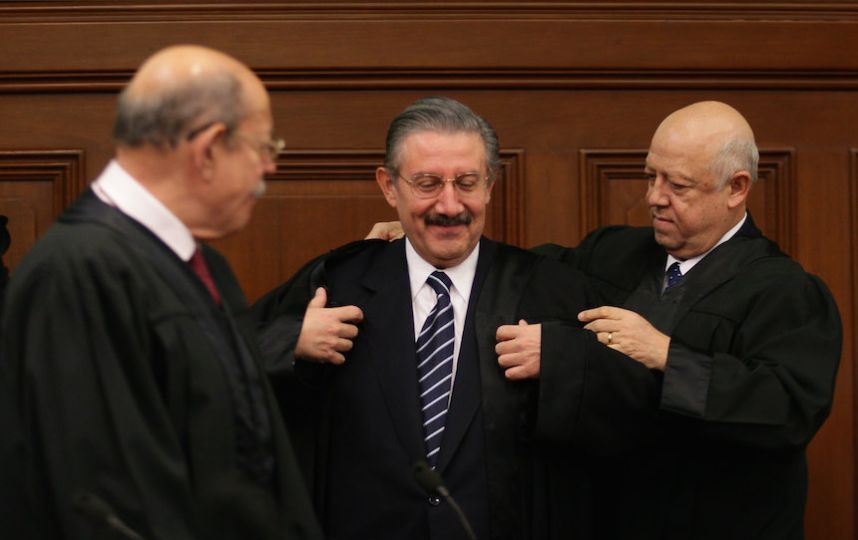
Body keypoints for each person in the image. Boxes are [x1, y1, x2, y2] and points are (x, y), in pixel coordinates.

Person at [365, 101, 842, 539]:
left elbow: (788, 411)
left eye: (677, 186)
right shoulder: (614, 253)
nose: (654, 197)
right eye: (651, 176)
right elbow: (520, 274)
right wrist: (433, 235)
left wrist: (666, 354)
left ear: (736, 188)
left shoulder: (784, 291)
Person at [250, 97, 658, 540]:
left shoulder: (548, 289)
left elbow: (637, 412)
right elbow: (218, 366)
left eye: (466, 183)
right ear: (389, 186)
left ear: (490, 185)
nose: (449, 206)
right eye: (427, 184)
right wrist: (290, 341)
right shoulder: (336, 284)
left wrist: (564, 359)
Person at [0, 45, 322, 540]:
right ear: (209, 149)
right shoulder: (78, 273)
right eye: (263, 147)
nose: (269, 167)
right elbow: (108, 500)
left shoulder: (201, 265)